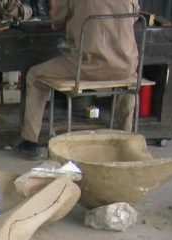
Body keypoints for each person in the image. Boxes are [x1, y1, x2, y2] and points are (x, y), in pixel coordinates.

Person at [16, 0, 141, 159]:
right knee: (129, 83)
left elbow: (58, 20)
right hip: (124, 66)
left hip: (87, 67)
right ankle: (126, 135)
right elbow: (134, 17)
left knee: (34, 75)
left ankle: (30, 140)